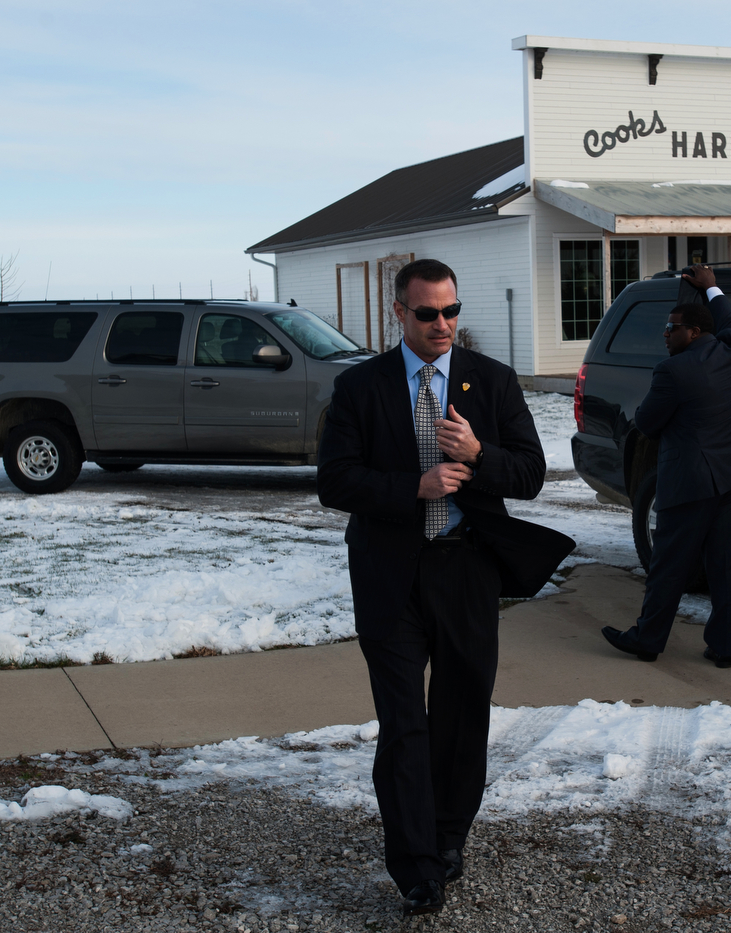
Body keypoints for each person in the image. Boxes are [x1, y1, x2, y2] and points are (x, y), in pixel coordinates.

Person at [317, 258, 571, 916]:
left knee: (462, 715)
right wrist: (415, 487)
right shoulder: (360, 388)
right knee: (404, 723)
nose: (442, 324)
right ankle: (417, 866)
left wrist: (480, 455)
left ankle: (449, 837)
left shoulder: (490, 381)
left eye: (452, 311)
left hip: (465, 569)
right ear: (397, 313)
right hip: (390, 573)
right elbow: (335, 480)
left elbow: (531, 473)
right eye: (428, 313)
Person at [601, 263, 731, 668]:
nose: (665, 335)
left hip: (689, 483)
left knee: (669, 564)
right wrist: (712, 289)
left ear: (694, 333)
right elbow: (729, 320)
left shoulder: (673, 371)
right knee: (724, 565)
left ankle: (647, 639)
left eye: (672, 329)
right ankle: (723, 648)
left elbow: (648, 423)